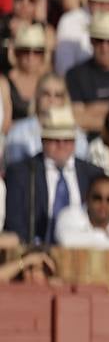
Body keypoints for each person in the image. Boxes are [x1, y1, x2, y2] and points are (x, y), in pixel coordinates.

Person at [3, 104, 101, 244]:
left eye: (67, 140)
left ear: (74, 142)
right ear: (43, 141)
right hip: (35, 251)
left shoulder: (92, 174)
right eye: (54, 139)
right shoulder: (22, 173)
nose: (61, 145)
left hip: (82, 249)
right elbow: (15, 223)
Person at [55, 172, 109, 247]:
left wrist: (91, 239)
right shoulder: (68, 215)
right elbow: (66, 240)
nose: (103, 204)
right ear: (87, 197)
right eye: (97, 198)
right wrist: (103, 236)